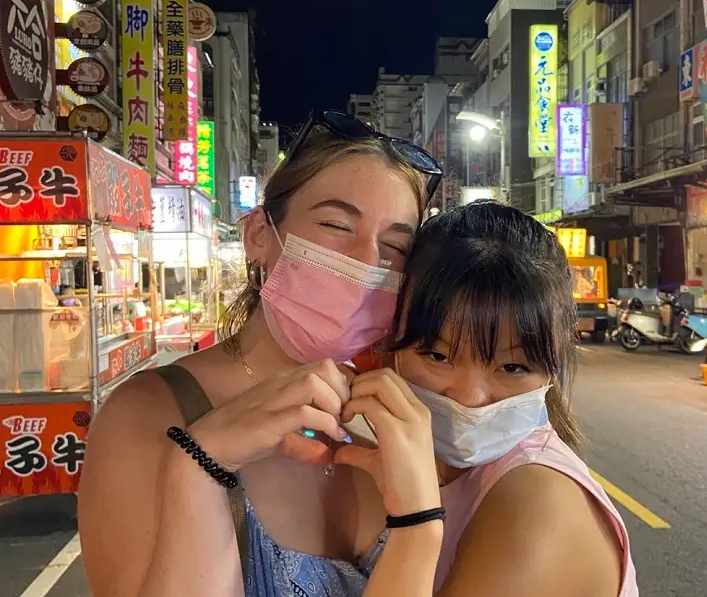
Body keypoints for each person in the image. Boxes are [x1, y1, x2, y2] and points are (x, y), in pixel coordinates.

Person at [77, 109, 443, 597]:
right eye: (336, 225)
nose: (365, 262)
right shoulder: (144, 416)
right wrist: (199, 465)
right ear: (258, 236)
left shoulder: (399, 414)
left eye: (394, 247)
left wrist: (422, 526)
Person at [338, 202, 637, 596]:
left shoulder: (538, 506)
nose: (470, 398)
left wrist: (416, 524)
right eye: (438, 357)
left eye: (512, 367)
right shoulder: (398, 453)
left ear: (553, 364)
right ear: (390, 344)